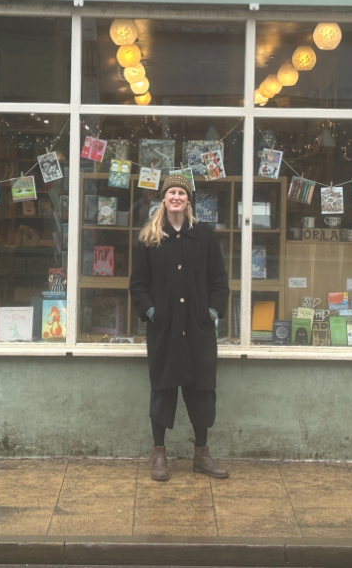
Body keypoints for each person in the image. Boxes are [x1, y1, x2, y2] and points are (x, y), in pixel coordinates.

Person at [130, 173, 230, 482]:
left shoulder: (204, 235)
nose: (176, 197)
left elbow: (219, 281)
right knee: (163, 389)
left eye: (182, 193)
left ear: (188, 199)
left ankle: (202, 454)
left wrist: (211, 312)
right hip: (165, 328)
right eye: (172, 192)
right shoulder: (150, 237)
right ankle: (159, 455)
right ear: (164, 198)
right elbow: (138, 284)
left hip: (197, 329)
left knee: (202, 391)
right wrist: (151, 311)